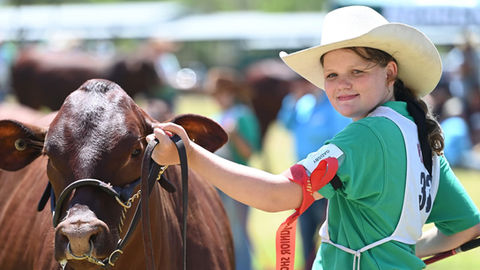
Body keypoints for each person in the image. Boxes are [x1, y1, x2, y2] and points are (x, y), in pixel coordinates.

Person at [147, 6, 480, 270]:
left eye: (357, 72)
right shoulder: (419, 136)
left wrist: (188, 154)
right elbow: (466, 228)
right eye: (332, 75)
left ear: (390, 72)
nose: (341, 84)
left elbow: (276, 196)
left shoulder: (366, 134)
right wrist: (401, 253)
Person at [277, 76, 350, 269]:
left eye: (303, 82)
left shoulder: (333, 107)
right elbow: (285, 124)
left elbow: (338, 140)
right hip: (303, 179)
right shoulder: (302, 103)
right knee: (306, 234)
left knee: (329, 234)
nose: (299, 86)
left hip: (325, 180)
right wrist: (291, 102)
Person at [204, 67, 261, 270]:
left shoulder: (242, 115)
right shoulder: (216, 115)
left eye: (221, 93)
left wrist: (234, 134)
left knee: (238, 233)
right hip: (217, 183)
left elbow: (248, 153)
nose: (218, 98)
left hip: (238, 182)